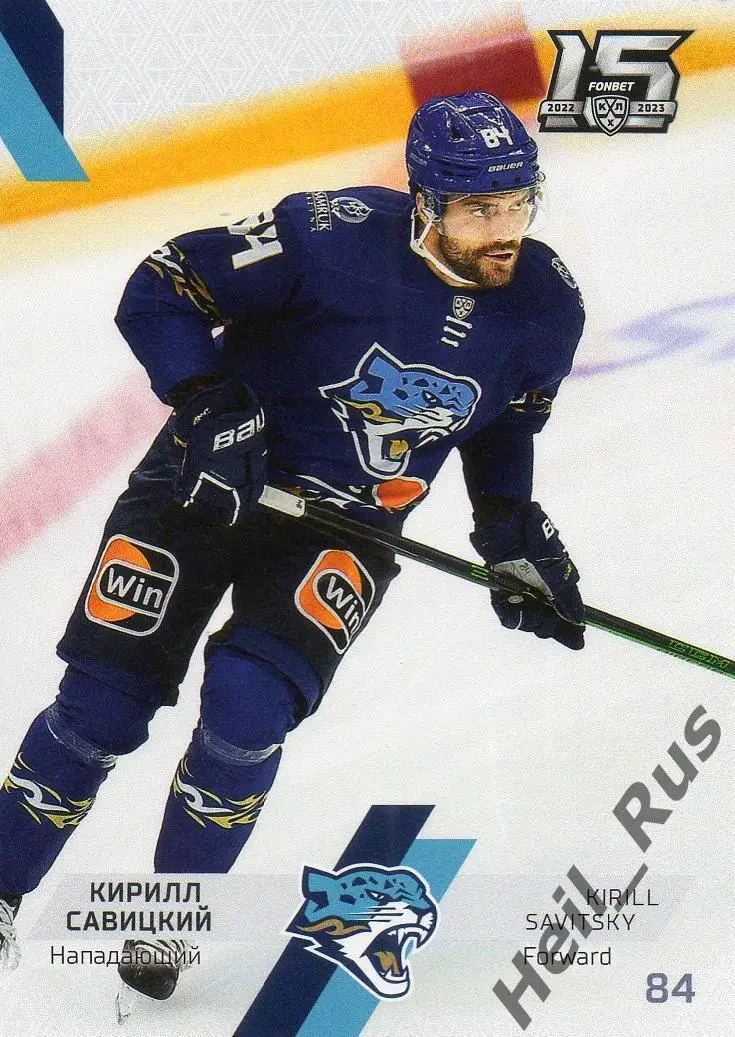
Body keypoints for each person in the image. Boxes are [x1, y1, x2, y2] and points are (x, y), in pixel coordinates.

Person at [0, 92, 586, 997]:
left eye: (518, 203)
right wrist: (206, 401)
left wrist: (507, 529)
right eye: (479, 209)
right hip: (202, 489)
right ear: (425, 200)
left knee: (248, 707)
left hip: (344, 530)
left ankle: (167, 917)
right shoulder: (325, 235)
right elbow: (162, 284)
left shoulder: (546, 306)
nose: (504, 230)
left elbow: (503, 423)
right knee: (101, 708)